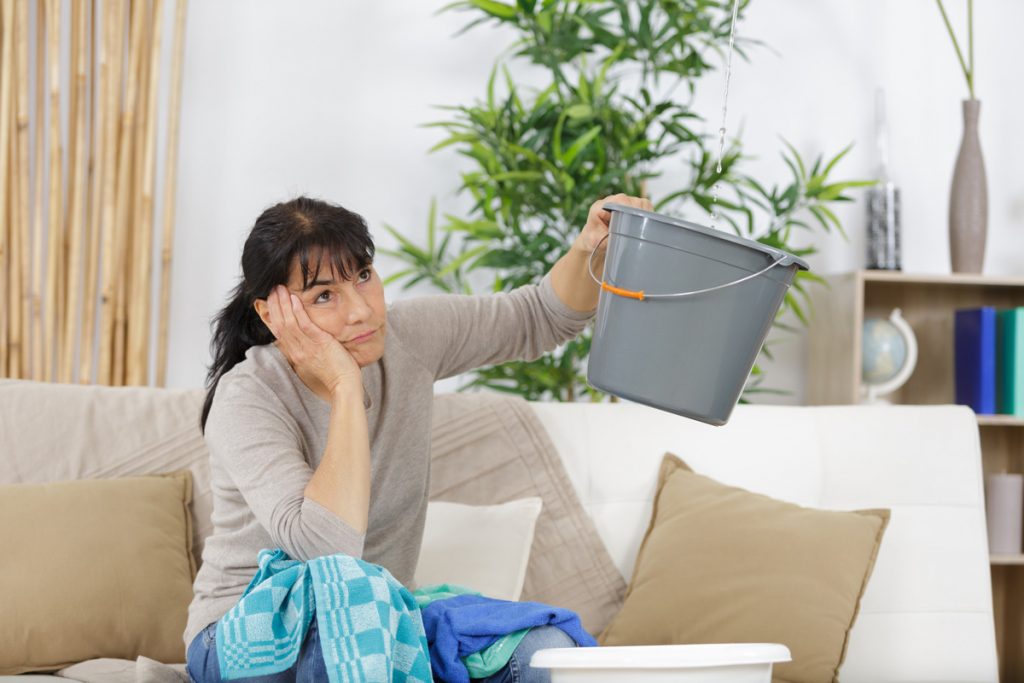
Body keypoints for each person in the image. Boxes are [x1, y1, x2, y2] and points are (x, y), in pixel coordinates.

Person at [183, 193, 653, 683]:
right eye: (324, 296)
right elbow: (329, 552)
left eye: (363, 276)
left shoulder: (409, 338)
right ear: (271, 314)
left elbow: (538, 315)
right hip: (246, 634)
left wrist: (589, 248)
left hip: (382, 623)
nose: (361, 311)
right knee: (343, 626)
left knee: (542, 650)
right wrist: (345, 387)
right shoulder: (247, 398)